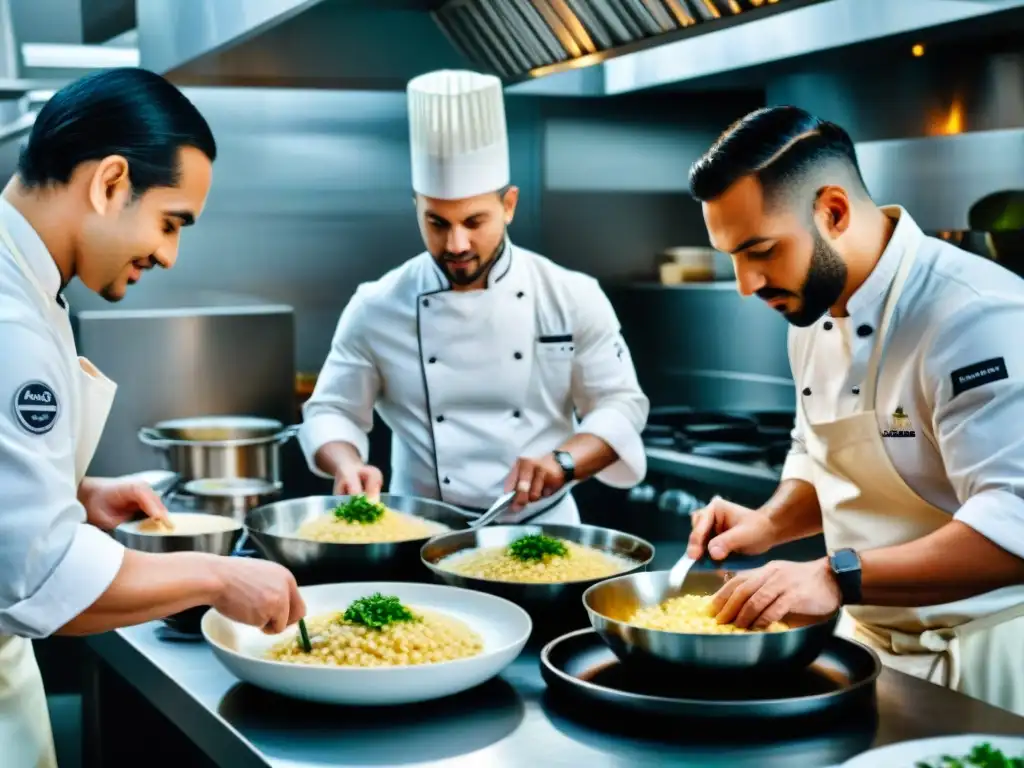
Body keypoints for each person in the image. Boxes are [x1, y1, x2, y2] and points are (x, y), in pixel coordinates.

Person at [0, 68, 305, 767]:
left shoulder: (25, 283)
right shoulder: (10, 318)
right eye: (171, 222)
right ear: (110, 183)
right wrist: (219, 577)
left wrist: (74, 493)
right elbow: (43, 581)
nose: (168, 253)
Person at [683, 105, 1024, 715]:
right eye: (731, 256)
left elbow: (1014, 527)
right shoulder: (811, 308)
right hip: (868, 653)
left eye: (759, 250)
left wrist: (833, 575)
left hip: (985, 662)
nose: (744, 283)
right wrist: (768, 523)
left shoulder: (976, 316)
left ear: (833, 212)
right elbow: (820, 455)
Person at [299, 69, 649, 523]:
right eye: (437, 223)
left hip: (545, 527)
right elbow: (332, 410)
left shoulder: (570, 295)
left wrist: (562, 462)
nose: (456, 245)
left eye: (474, 221)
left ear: (509, 206)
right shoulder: (377, 305)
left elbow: (621, 404)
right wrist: (347, 465)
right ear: (417, 208)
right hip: (420, 530)